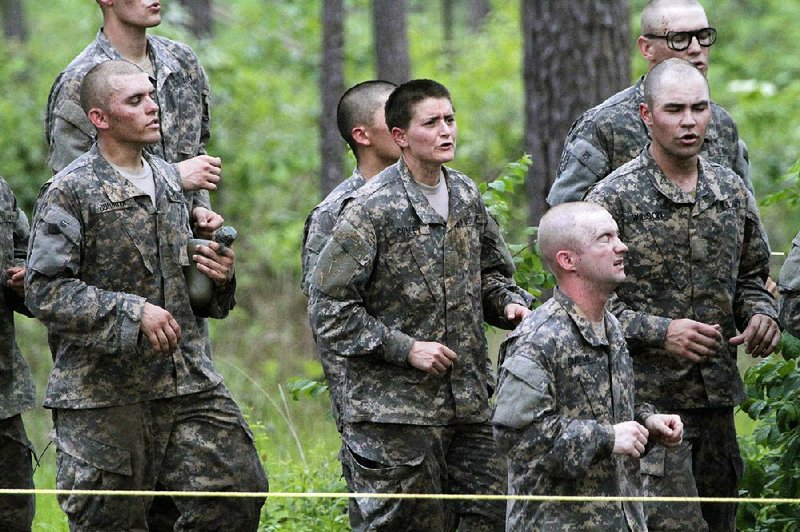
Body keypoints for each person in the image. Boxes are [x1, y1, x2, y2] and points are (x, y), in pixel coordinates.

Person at [26, 61, 268, 531]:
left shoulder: (170, 185)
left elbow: (194, 295)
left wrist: (217, 276)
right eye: (134, 101)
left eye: (151, 96)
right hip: (105, 394)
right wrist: (131, 312)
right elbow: (44, 290)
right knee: (111, 521)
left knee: (237, 492)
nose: (152, 107)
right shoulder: (70, 191)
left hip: (188, 382)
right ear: (99, 118)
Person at [308, 79, 533, 531]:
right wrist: (405, 348)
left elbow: (490, 274)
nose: (446, 131)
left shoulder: (465, 195)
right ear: (400, 137)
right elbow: (329, 309)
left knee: (493, 517)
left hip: (468, 404)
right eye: (431, 123)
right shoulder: (370, 207)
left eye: (450, 119)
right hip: (394, 416)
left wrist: (510, 305)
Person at [586, 58, 779, 531]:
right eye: (674, 109)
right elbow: (584, 304)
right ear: (646, 116)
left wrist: (760, 314)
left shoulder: (729, 190)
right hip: (646, 408)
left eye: (699, 108)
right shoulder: (612, 199)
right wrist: (660, 332)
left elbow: (752, 275)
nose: (689, 121)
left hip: (715, 403)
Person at [492, 201, 684, 531]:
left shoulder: (611, 327)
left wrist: (646, 421)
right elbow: (515, 435)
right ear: (568, 260)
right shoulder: (539, 337)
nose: (621, 246)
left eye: (618, 235)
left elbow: (607, 412)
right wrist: (606, 438)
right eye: (604, 238)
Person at [45, 0, 222, 237]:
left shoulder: (182, 62)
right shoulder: (80, 81)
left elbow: (195, 149)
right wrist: (173, 178)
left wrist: (199, 208)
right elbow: (70, 190)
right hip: (119, 254)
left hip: (184, 249)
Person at [549, 0, 750, 205]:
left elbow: (744, 213)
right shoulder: (606, 125)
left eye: (703, 36)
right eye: (680, 39)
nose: (696, 48)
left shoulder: (722, 124)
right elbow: (565, 218)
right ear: (647, 48)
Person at [301, 80, 400, 431]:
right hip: (378, 407)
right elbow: (327, 317)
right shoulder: (335, 213)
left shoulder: (444, 195)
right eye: (392, 114)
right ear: (363, 135)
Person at [0, 179, 35, 532]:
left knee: (13, 516)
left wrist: (27, 282)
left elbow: (25, 254)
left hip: (3, 400)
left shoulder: (1, 192)